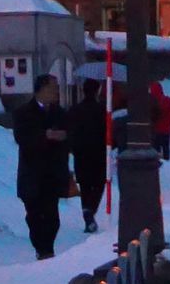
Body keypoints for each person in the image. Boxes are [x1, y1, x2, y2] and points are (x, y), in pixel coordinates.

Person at [13, 74, 68, 260]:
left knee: (53, 218)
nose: (56, 92)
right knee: (35, 216)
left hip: (52, 174)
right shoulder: (23, 113)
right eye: (53, 88)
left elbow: (70, 136)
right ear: (42, 89)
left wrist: (64, 137)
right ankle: (42, 250)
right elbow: (22, 138)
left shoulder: (60, 114)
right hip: (32, 174)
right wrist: (45, 136)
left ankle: (48, 249)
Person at [67, 79, 108, 234]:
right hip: (98, 153)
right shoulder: (102, 110)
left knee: (85, 186)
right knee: (98, 184)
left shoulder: (75, 110)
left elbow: (70, 131)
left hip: (81, 154)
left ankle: (87, 214)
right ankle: (90, 212)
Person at [149, 81, 170, 160]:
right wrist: (169, 121)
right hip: (166, 129)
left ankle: (156, 161)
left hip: (154, 129)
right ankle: (167, 162)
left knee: (155, 147)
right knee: (166, 147)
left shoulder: (150, 101)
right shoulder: (167, 100)